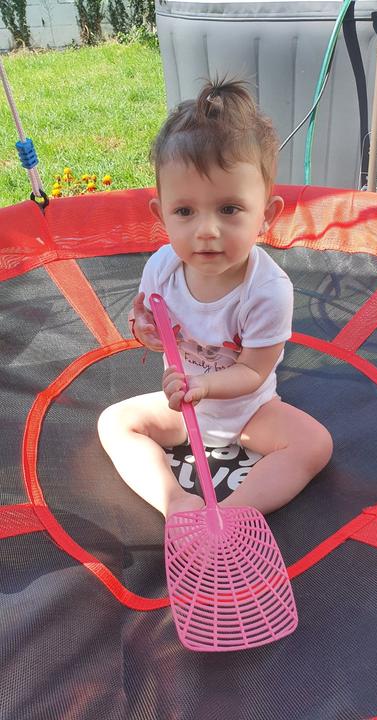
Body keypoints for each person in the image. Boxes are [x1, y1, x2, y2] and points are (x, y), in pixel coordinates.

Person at [98, 78, 333, 519]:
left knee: (314, 444)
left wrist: (204, 386)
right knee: (114, 422)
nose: (206, 230)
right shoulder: (161, 268)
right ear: (161, 215)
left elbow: (253, 371)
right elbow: (150, 325)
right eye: (185, 211)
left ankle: (233, 513)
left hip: (250, 413)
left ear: (266, 215)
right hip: (181, 411)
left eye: (229, 209)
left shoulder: (268, 290)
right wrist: (143, 330)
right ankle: (175, 501)